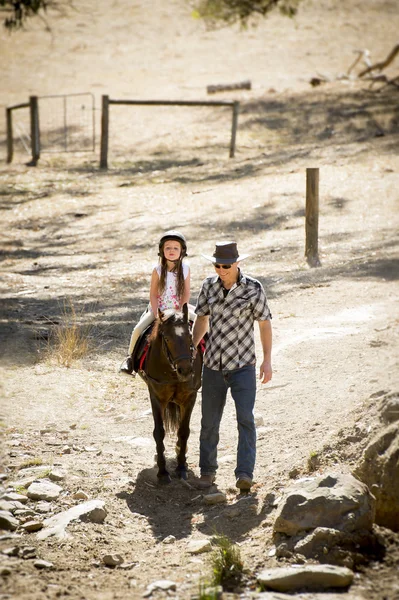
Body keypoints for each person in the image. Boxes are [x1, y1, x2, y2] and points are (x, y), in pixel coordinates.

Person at [192, 241, 272, 491]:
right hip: (213, 365)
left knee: (245, 419)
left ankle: (245, 473)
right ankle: (207, 472)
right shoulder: (208, 286)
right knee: (209, 421)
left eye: (225, 265)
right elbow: (202, 319)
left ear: (237, 264)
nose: (221, 270)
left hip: (243, 366)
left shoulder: (253, 288)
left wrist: (267, 360)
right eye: (217, 265)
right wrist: (192, 348)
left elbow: (264, 324)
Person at [120, 230, 195, 374]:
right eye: (168, 247)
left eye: (175, 248)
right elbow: (153, 294)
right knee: (138, 330)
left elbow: (186, 292)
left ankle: (207, 360)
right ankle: (130, 359)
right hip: (159, 308)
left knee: (202, 323)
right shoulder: (158, 270)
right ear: (162, 250)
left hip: (179, 308)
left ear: (182, 251)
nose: (171, 251)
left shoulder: (185, 269)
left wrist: (181, 310)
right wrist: (156, 313)